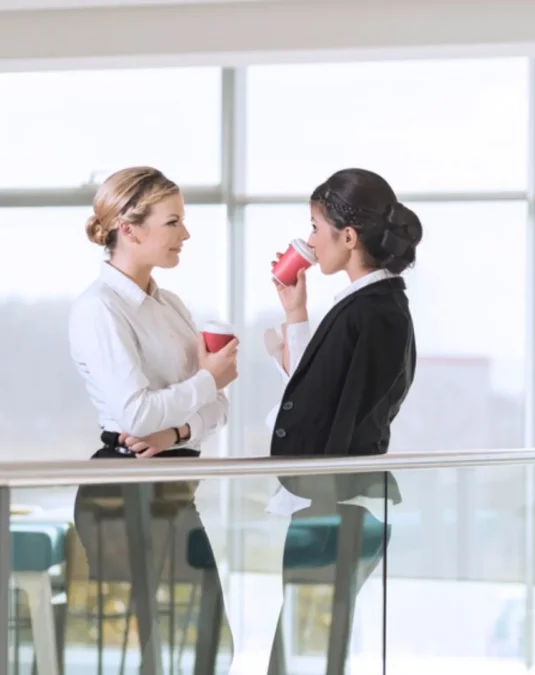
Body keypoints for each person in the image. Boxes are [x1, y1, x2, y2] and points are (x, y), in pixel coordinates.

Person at [68, 166, 238, 672]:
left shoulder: (172, 306)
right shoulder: (99, 310)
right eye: (173, 222)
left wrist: (176, 430)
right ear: (130, 227)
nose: (185, 234)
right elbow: (133, 413)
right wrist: (206, 381)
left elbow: (219, 409)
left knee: (207, 645)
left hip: (169, 486)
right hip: (124, 494)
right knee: (165, 651)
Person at [262, 168, 421, 673]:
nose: (308, 241)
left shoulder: (374, 312)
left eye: (314, 226)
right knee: (307, 646)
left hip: (335, 505)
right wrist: (296, 315)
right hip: (335, 503)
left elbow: (343, 410)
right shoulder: (367, 305)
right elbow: (328, 392)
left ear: (347, 237)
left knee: (307, 651)